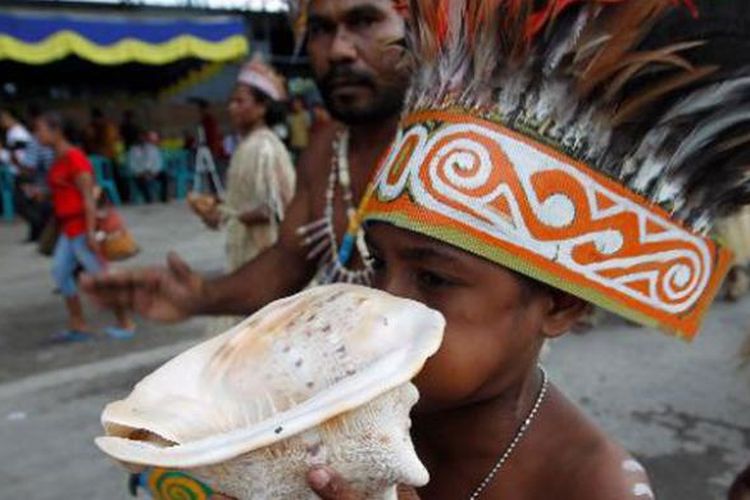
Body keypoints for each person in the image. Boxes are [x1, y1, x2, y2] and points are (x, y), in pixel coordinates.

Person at [300, 0, 748, 498]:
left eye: (433, 278)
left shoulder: (597, 489)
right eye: (378, 263)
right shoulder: (341, 418)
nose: (380, 305)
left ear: (560, 304)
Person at [82, 0, 410, 322]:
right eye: (320, 28)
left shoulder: (454, 139)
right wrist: (198, 295)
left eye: (365, 20)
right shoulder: (326, 148)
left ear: (415, 25)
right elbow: (288, 260)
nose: (339, 50)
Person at [194, 56, 296, 332]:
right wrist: (218, 212)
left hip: (264, 260)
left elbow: (279, 209)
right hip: (245, 258)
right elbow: (243, 204)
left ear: (262, 107)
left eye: (240, 101)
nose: (232, 108)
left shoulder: (265, 148)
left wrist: (233, 214)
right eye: (232, 101)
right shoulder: (246, 146)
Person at [35, 112, 135, 342]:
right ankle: (78, 324)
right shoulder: (58, 159)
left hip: (81, 228)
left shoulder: (74, 158)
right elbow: (64, 191)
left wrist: (90, 232)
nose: (37, 134)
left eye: (40, 129)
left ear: (56, 130)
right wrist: (45, 194)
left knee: (100, 277)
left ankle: (126, 322)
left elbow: (89, 198)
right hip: (68, 229)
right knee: (60, 273)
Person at [127, 130, 167, 203]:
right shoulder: (133, 150)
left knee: (165, 176)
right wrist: (141, 173)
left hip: (153, 172)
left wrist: (154, 172)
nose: (141, 139)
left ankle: (164, 198)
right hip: (140, 173)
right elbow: (131, 165)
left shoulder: (153, 148)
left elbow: (158, 162)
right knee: (141, 181)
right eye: (139, 137)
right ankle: (149, 200)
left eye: (143, 137)